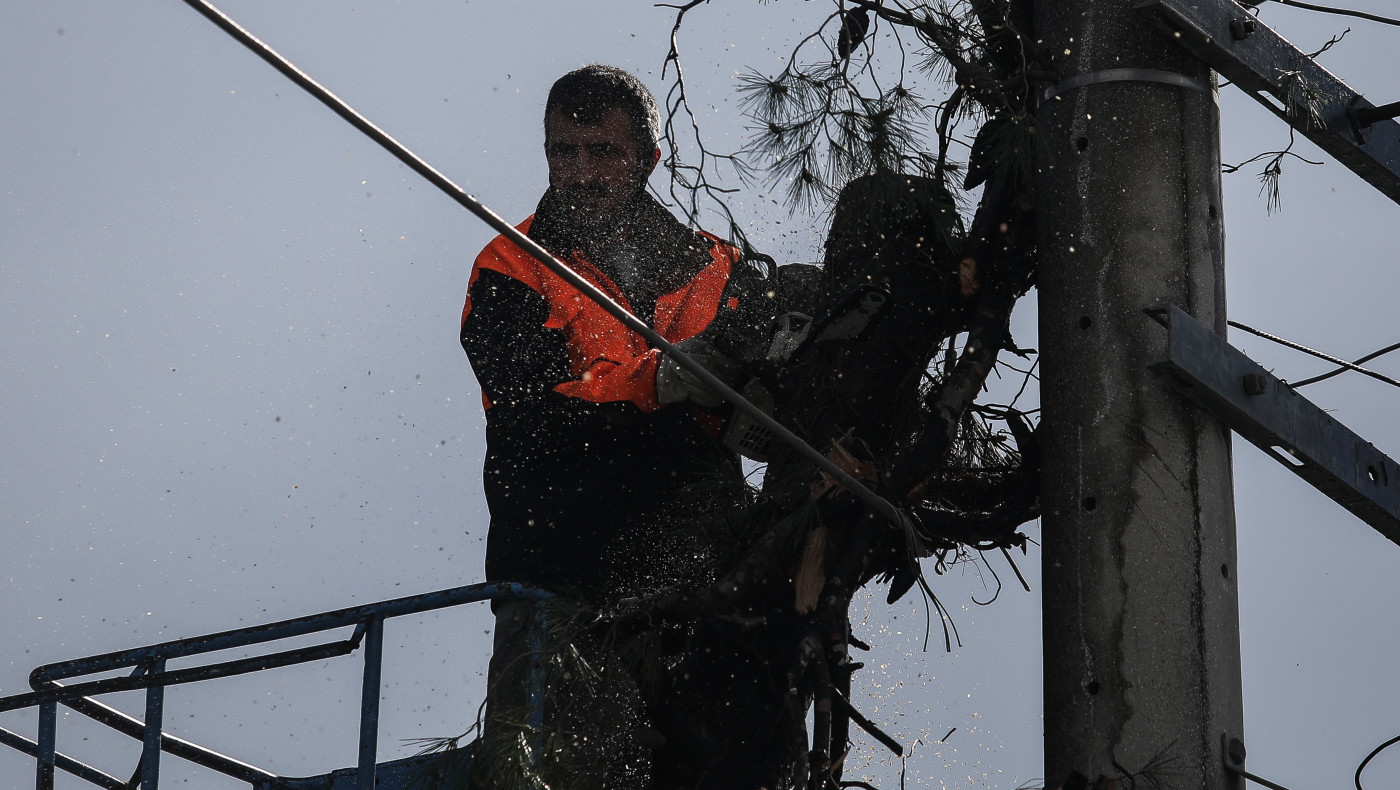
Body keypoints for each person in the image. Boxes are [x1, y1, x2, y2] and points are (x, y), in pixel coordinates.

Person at [459, 64, 759, 788]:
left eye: (604, 154)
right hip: (561, 573)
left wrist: (762, 397)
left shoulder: (718, 268)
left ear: (649, 160)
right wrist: (661, 382)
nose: (582, 174)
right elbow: (532, 415)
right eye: (566, 153)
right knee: (535, 776)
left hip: (702, 573)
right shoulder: (511, 263)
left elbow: (756, 400)